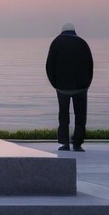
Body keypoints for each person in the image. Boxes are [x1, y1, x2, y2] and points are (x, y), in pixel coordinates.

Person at [46, 23, 93, 152]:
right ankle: (77, 143)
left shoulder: (56, 43)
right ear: (74, 31)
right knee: (80, 115)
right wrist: (87, 83)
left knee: (63, 115)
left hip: (62, 87)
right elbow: (90, 65)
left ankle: (64, 143)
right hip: (81, 87)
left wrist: (55, 83)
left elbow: (49, 65)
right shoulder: (83, 43)